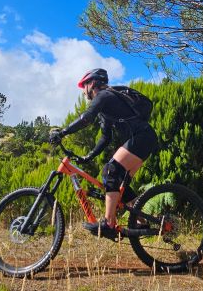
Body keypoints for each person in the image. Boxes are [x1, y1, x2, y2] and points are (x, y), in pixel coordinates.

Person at [49, 68, 158, 240]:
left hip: (142, 137)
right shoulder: (107, 106)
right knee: (120, 181)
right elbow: (106, 137)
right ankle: (142, 221)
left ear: (91, 83)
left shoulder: (105, 95)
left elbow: (86, 118)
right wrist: (88, 157)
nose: (84, 92)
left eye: (84, 86)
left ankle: (108, 223)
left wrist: (62, 132)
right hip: (143, 139)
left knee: (110, 170)